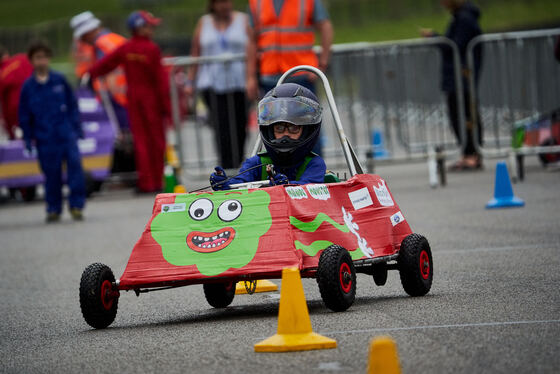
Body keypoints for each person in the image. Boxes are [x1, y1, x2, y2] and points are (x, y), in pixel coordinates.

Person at [87, 10, 170, 193]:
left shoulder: (127, 47)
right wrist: (168, 108)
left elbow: (106, 64)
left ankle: (146, 183)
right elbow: (161, 81)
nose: (152, 29)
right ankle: (157, 182)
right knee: (156, 141)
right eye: (149, 26)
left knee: (140, 141)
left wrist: (89, 75)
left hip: (134, 100)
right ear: (139, 28)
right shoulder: (152, 49)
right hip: (151, 100)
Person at [210, 83, 326, 190]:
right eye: (279, 128)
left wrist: (287, 187)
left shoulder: (314, 164)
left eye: (293, 128)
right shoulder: (256, 163)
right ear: (269, 130)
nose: (285, 134)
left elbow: (310, 190)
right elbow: (238, 186)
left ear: (307, 130)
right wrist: (224, 185)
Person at [18, 41, 86, 222]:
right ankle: (53, 208)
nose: (42, 61)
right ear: (32, 61)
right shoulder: (28, 87)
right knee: (51, 174)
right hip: (45, 137)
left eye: (44, 57)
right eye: (37, 58)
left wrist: (76, 129)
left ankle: (76, 206)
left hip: (65, 133)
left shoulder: (59, 80)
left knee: (75, 170)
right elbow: (24, 115)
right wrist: (27, 138)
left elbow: (72, 105)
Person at [185, 0, 249, 168]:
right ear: (213, 5)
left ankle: (238, 164)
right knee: (221, 125)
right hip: (212, 84)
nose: (224, 6)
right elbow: (196, 53)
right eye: (220, 2)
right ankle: (225, 166)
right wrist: (190, 81)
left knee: (240, 125)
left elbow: (252, 48)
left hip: (239, 82)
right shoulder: (204, 22)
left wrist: (252, 78)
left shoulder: (243, 20)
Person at [421, 0, 483, 170]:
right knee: (459, 113)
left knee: (465, 114)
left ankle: (472, 154)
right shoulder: (461, 16)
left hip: (462, 74)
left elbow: (455, 45)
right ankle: (468, 153)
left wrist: (435, 38)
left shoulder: (465, 18)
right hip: (457, 73)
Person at [246, 0, 334, 99]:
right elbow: (252, 40)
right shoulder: (256, 2)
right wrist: (251, 77)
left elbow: (325, 27)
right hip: (269, 78)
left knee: (303, 114)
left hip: (302, 76)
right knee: (274, 114)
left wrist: (322, 64)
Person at [70, 11, 129, 131]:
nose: (83, 41)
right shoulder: (114, 38)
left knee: (125, 133)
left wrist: (111, 96)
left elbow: (109, 72)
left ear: (88, 33)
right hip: (127, 93)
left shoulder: (101, 45)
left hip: (117, 97)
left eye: (83, 37)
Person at [0, 46, 33, 139]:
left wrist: (10, 132)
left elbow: (4, 106)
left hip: (16, 116)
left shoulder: (2, 74)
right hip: (36, 105)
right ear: (6, 54)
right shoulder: (22, 58)